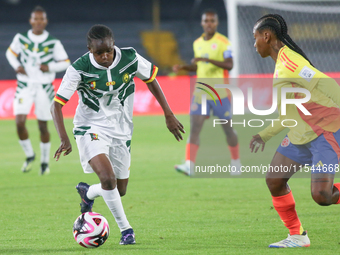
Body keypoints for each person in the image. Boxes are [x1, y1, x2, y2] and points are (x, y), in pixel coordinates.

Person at [51, 24, 185, 245]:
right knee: (108, 178)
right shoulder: (79, 69)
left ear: (114, 45)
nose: (105, 57)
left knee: (119, 190)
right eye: (99, 53)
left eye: (109, 51)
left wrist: (168, 114)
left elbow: (151, 79)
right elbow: (56, 105)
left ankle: (88, 192)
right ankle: (127, 231)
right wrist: (64, 138)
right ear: (89, 49)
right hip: (90, 127)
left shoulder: (130, 58)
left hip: (121, 129)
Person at [250, 14, 340, 248]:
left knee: (322, 196)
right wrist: (264, 135)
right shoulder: (281, 64)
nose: (254, 43)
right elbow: (288, 116)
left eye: (255, 37)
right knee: (274, 179)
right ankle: (297, 235)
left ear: (267, 36)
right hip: (301, 136)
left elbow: (328, 84)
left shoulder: (290, 62)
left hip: (324, 133)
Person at [173, 9, 241, 176]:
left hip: (220, 93)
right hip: (201, 92)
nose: (209, 23)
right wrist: (184, 67)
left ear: (216, 23)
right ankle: (189, 164)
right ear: (202, 23)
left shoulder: (223, 42)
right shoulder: (197, 43)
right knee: (195, 128)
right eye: (206, 21)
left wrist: (207, 59)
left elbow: (229, 65)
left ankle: (236, 162)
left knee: (228, 130)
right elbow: (198, 66)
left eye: (212, 21)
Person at [6, 6, 70, 175]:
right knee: (19, 122)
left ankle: (44, 161)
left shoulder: (53, 42)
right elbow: (10, 54)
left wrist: (49, 66)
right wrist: (17, 66)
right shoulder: (21, 38)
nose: (39, 22)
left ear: (46, 21)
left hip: (44, 87)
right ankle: (29, 155)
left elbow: (66, 62)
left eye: (42, 19)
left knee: (43, 126)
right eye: (36, 19)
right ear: (31, 21)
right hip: (24, 85)